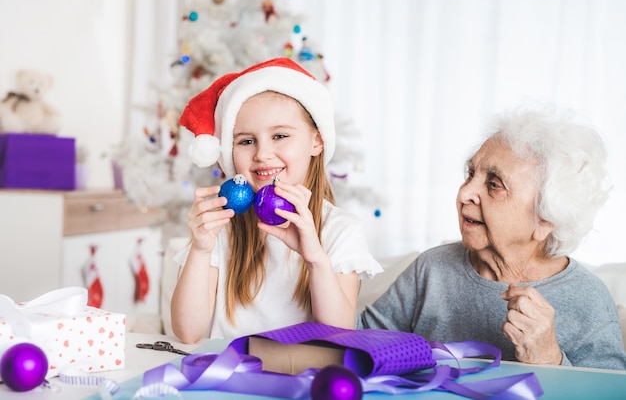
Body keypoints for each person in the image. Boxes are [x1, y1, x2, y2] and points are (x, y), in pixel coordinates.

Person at [357, 104, 626, 370]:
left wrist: (549, 359)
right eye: (471, 174)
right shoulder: (431, 269)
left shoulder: (588, 298)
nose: (465, 194)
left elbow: (608, 391)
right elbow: (358, 346)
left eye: (494, 184)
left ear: (545, 218)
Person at [171, 57, 382, 343]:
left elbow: (340, 334)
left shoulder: (340, 229)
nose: (262, 154)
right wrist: (200, 249)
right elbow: (187, 332)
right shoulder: (223, 228)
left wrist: (315, 257)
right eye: (246, 141)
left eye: (280, 135)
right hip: (228, 378)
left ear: (316, 142)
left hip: (302, 381)